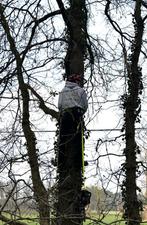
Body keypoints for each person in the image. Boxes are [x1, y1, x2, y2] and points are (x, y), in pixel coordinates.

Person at [57, 74, 88, 172]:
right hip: (77, 115)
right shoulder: (81, 91)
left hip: (66, 115)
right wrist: (81, 112)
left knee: (62, 139)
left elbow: (60, 105)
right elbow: (85, 105)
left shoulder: (62, 91)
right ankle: (78, 164)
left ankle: (61, 164)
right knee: (78, 140)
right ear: (77, 81)